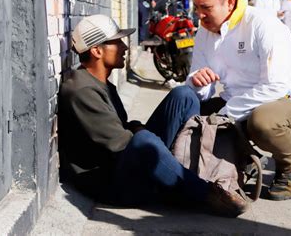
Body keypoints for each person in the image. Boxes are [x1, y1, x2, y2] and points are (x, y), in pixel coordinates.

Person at [58, 14, 249, 217]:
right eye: (117, 42)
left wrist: (138, 128)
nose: (124, 48)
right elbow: (120, 144)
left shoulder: (100, 82)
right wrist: (141, 132)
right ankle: (204, 193)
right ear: (97, 50)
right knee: (143, 139)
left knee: (184, 95)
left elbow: (121, 127)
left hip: (124, 163)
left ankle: (188, 171)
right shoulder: (82, 90)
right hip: (111, 183)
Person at [187, 0, 291, 201]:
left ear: (230, 1)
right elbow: (202, 87)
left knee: (262, 122)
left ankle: (289, 166)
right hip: (236, 101)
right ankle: (244, 159)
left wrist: (227, 114)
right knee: (190, 114)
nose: (200, 15)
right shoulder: (204, 33)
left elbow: (276, 85)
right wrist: (197, 80)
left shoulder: (263, 24)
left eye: (206, 8)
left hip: (289, 100)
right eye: (196, 8)